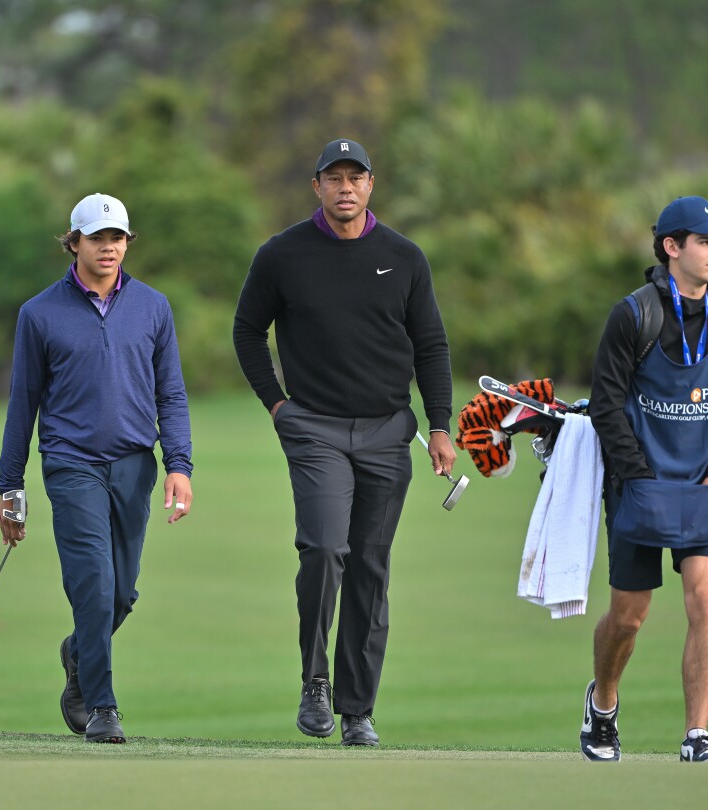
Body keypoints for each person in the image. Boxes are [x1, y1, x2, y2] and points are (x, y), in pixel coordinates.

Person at [232, 139, 455, 747]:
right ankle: (315, 682)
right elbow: (247, 330)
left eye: (356, 177)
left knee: (370, 568)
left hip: (387, 430)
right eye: (334, 178)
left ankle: (359, 712)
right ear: (317, 187)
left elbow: (431, 345)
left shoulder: (404, 257)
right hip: (315, 428)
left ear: (371, 185)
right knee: (326, 549)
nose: (345, 188)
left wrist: (439, 424)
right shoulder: (282, 255)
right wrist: (278, 406)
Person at [0, 193, 194, 745]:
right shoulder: (38, 314)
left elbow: (172, 395)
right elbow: (23, 404)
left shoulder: (153, 307)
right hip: (71, 464)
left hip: (135, 465)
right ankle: (103, 706)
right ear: (74, 241)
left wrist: (179, 464)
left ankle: (78, 651)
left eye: (118, 238)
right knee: (94, 587)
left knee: (122, 595)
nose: (109, 248)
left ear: (127, 242)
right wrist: (10, 488)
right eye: (98, 238)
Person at [582, 195, 708, 763]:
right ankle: (604, 705)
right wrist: (636, 476)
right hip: (640, 486)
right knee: (629, 615)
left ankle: (697, 735)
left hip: (706, 486)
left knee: (704, 596)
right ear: (671, 248)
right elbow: (606, 405)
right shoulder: (633, 315)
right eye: (705, 242)